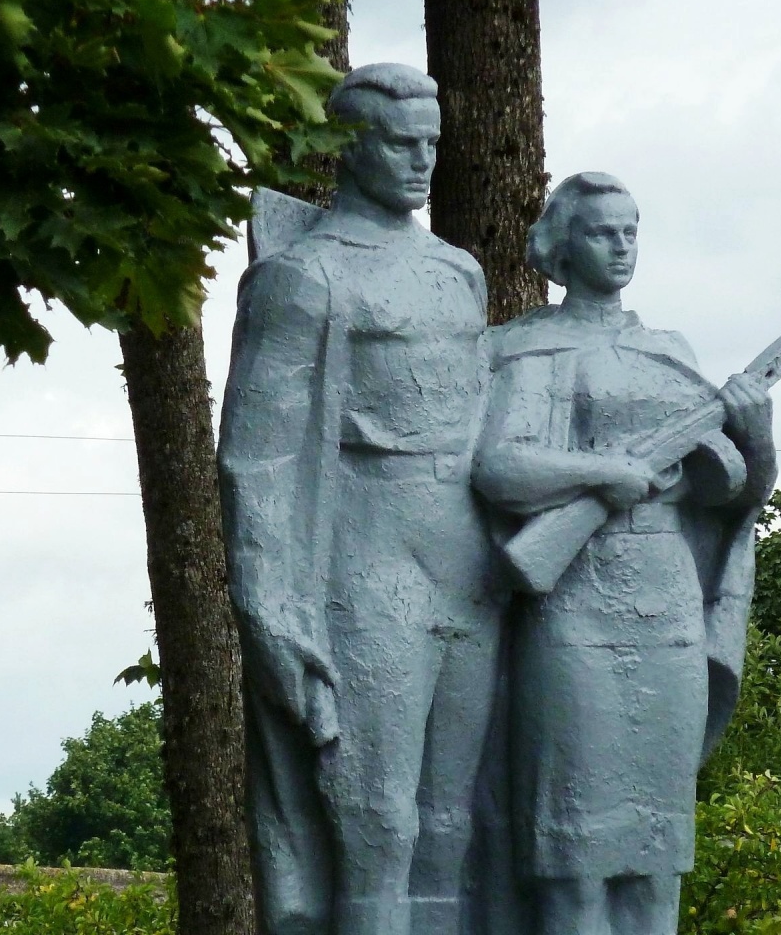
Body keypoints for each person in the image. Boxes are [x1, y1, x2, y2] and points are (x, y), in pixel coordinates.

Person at [218, 63, 506, 935]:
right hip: (365, 569)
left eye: (432, 143)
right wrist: (271, 613)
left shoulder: (459, 272)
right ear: (350, 147)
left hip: (468, 569)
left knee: (452, 825)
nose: (423, 161)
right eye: (400, 142)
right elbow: (256, 463)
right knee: (376, 822)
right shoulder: (305, 278)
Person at [471, 172, 777, 935]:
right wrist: (605, 473)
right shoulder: (525, 347)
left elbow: (734, 496)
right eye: (603, 231)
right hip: (572, 604)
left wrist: (757, 434)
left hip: (667, 602)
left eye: (631, 230)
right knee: (574, 857)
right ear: (563, 245)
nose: (621, 246)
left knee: (655, 852)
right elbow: (501, 469)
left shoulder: (669, 352)